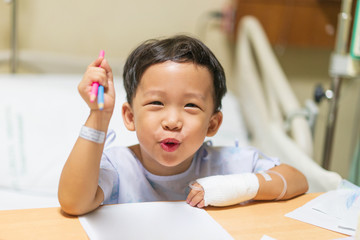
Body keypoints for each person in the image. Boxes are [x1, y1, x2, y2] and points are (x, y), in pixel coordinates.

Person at [58, 35, 308, 215]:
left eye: (190, 106)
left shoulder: (225, 164)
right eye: (156, 102)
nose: (172, 122)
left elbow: (297, 180)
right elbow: (73, 202)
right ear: (130, 117)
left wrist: (235, 187)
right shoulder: (119, 168)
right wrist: (99, 116)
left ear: (212, 125)